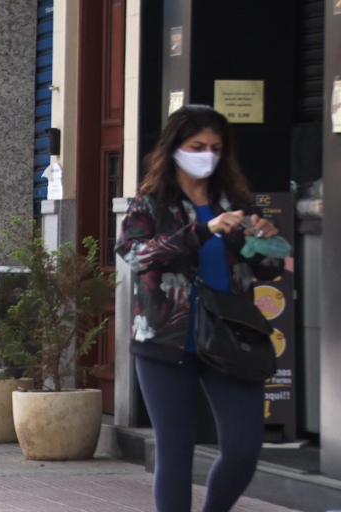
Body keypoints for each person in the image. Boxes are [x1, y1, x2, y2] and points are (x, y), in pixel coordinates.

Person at [115, 105, 284, 512]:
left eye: (215, 147)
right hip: (166, 341)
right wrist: (201, 230)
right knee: (176, 451)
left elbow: (268, 268)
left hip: (232, 337)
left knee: (244, 448)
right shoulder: (151, 202)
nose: (207, 154)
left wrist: (266, 240)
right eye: (197, 146)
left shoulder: (236, 200)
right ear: (175, 147)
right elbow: (135, 254)